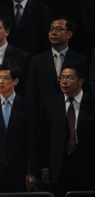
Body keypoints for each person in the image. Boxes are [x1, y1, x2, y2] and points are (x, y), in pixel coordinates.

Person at [0, 63, 38, 192]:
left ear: (15, 81)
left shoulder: (27, 107)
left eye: (5, 78)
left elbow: (32, 142)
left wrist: (31, 172)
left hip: (20, 171)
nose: (0, 81)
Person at [39, 63, 95, 197]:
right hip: (59, 163)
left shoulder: (92, 103)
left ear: (81, 81)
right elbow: (44, 138)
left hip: (86, 163)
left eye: (69, 77)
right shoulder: (50, 104)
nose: (64, 81)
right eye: (62, 77)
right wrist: (44, 167)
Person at [26, 17, 89, 109]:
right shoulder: (37, 61)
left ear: (69, 34)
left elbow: (85, 90)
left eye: (59, 29)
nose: (53, 33)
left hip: (72, 110)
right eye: (51, 29)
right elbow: (31, 92)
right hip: (45, 113)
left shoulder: (81, 60)